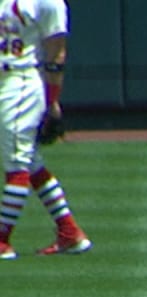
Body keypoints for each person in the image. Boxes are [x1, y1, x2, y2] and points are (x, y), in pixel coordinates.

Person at [0, 0, 91, 260]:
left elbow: (56, 54)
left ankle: (2, 240)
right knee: (30, 162)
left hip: (19, 83)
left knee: (17, 166)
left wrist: (52, 101)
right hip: (7, 82)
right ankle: (69, 232)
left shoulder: (47, 2)